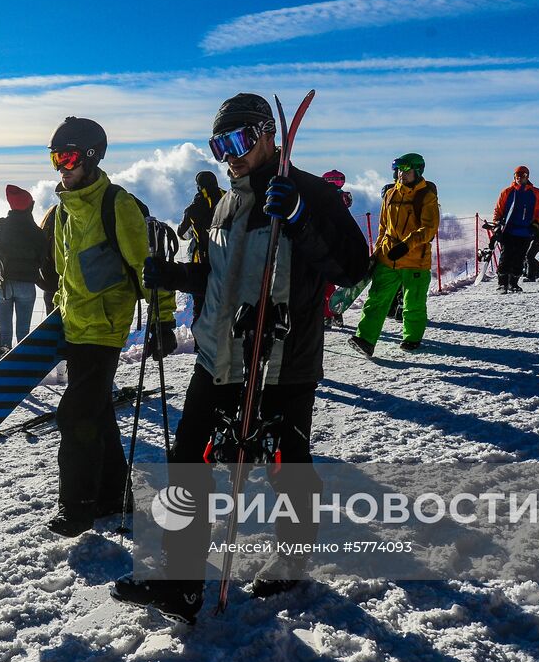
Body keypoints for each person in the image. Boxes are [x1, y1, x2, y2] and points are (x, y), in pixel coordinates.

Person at [111, 93, 370, 623]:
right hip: (218, 358)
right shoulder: (226, 205)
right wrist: (178, 276)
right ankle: (181, 583)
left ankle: (293, 558)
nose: (229, 155)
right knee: (188, 465)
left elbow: (351, 268)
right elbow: (219, 280)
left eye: (238, 141)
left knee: (285, 469)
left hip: (283, 362)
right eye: (217, 145)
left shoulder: (312, 194)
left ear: (268, 136)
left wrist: (299, 219)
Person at [45, 117, 176, 537]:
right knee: (97, 413)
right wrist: (57, 317)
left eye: (66, 157)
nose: (60, 167)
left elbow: (147, 265)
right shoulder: (64, 207)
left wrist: (164, 318)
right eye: (54, 158)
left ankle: (77, 507)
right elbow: (64, 271)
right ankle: (113, 496)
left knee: (75, 416)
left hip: (105, 326)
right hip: (75, 324)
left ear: (90, 156)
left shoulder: (115, 203)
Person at [349, 153, 438, 356]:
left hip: (415, 259)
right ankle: (365, 340)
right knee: (376, 299)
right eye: (399, 170)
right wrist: (378, 252)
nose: (401, 174)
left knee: (413, 303)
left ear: (417, 171)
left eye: (406, 170)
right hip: (389, 256)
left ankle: (412, 338)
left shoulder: (426, 196)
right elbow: (383, 227)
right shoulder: (390, 194)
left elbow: (429, 228)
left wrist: (407, 245)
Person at [0, 184, 46, 365]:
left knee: (5, 335)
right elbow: (42, 260)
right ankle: (22, 367)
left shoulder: (0, 226)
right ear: (30, 206)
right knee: (23, 332)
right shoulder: (37, 233)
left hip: (1, 285)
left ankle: (5, 366)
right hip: (26, 285)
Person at [178, 170, 224, 326]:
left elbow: (182, 234)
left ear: (199, 187)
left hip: (202, 262)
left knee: (201, 305)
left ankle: (201, 346)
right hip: (230, 259)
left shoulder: (194, 208)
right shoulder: (230, 198)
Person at [491, 167, 539, 293]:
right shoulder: (507, 192)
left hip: (525, 231)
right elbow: (498, 210)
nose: (520, 177)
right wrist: (497, 224)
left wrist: (535, 225)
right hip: (508, 230)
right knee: (506, 256)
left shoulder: (536, 193)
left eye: (523, 174)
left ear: (527, 176)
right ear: (514, 176)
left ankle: (513, 283)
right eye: (517, 174)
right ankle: (502, 283)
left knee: (519, 258)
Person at [320, 169, 354, 327]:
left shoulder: (323, 198)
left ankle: (329, 314)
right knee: (330, 282)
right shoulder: (344, 197)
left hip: (327, 244)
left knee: (325, 282)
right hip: (340, 244)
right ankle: (335, 313)